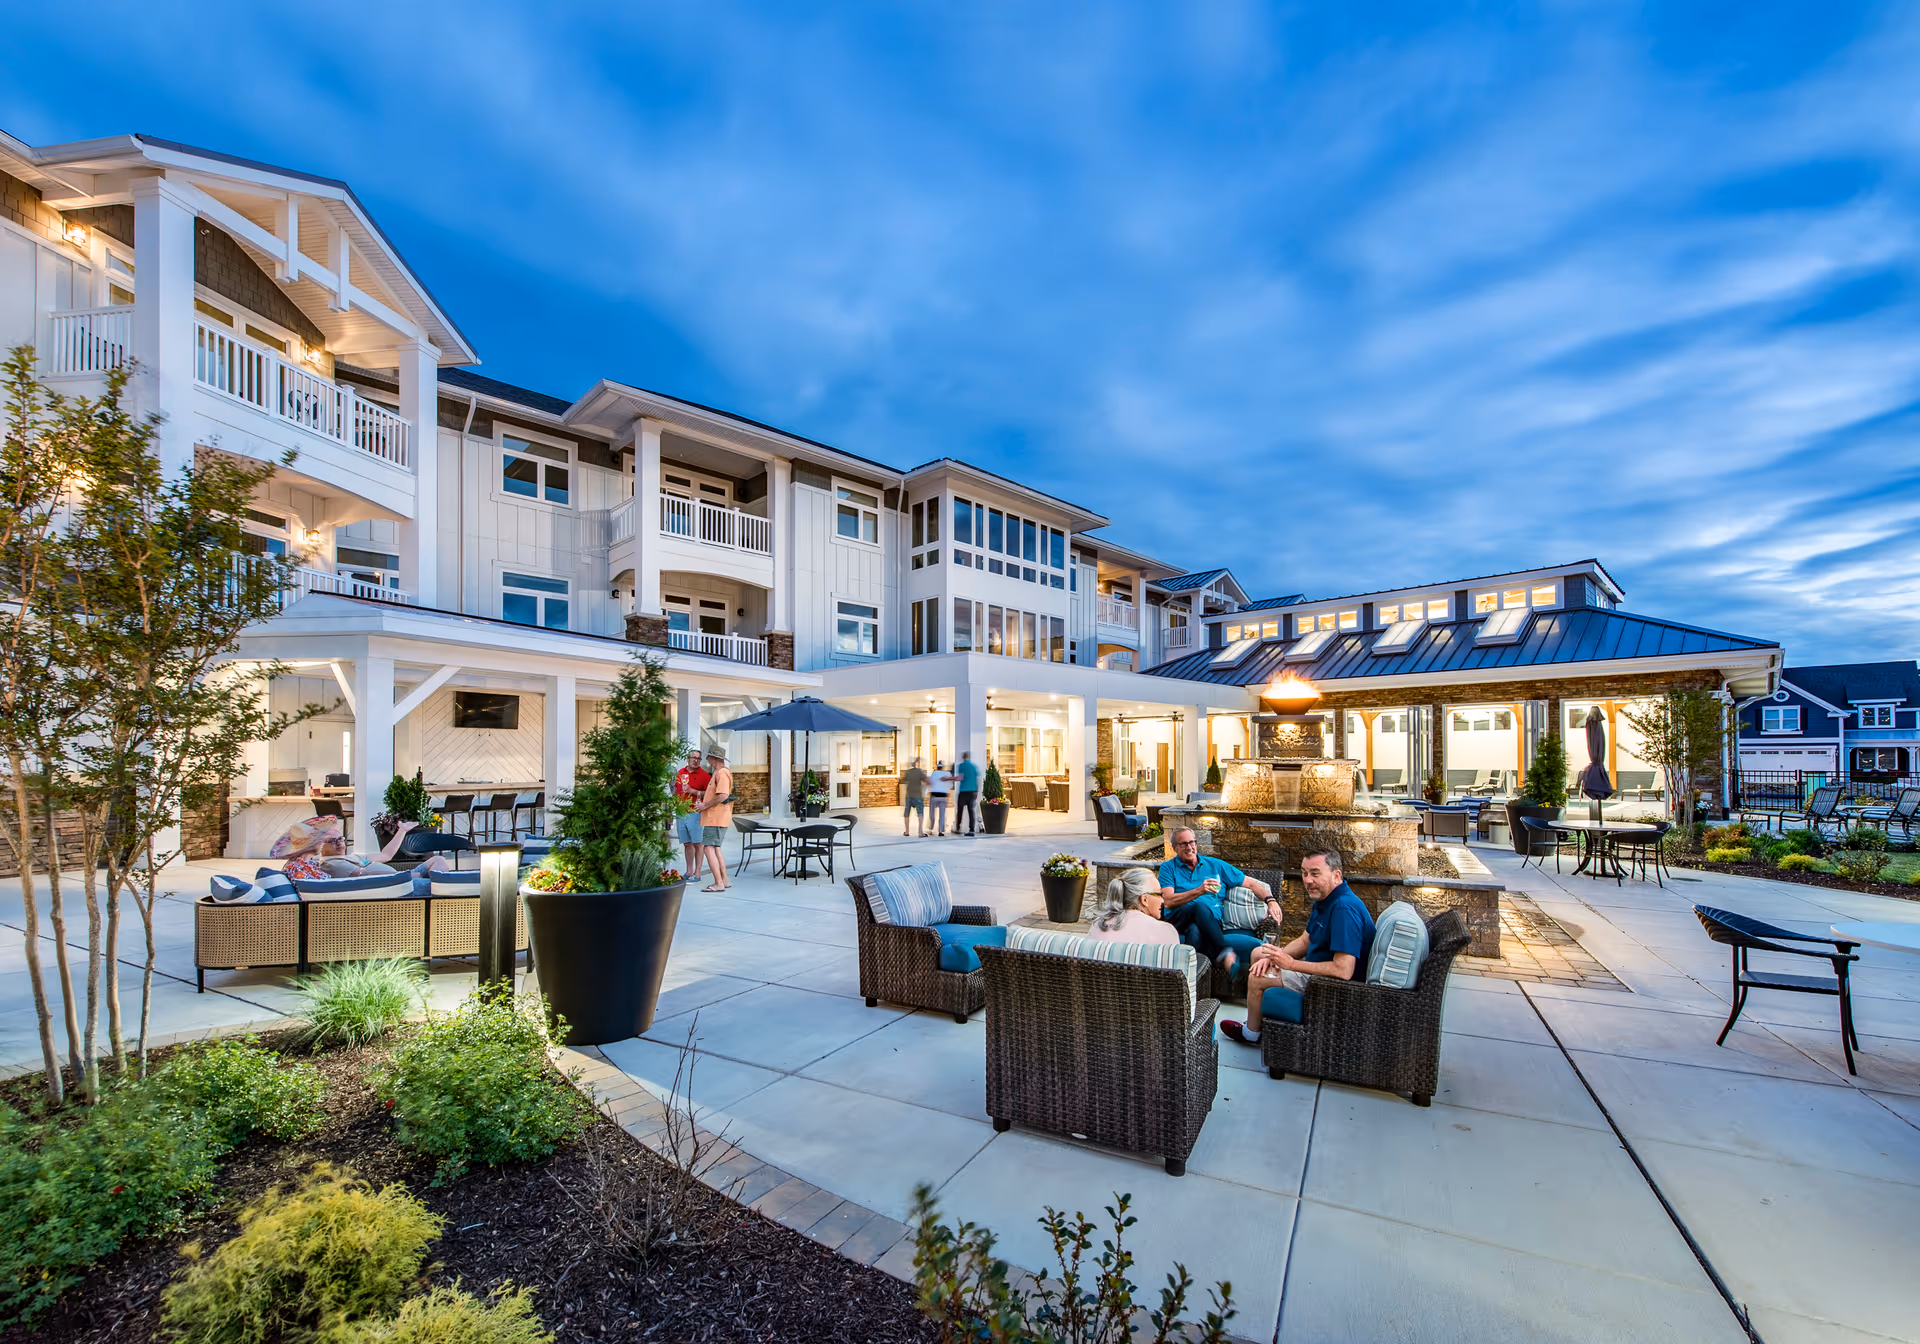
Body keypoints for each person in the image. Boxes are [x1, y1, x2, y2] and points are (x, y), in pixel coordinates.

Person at [1221, 847, 1375, 1045]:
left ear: (1336, 875)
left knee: (1258, 977)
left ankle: (1251, 1034)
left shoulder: (1343, 909)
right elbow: (1305, 941)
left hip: (1333, 985)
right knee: (1260, 953)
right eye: (1304, 873)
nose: (1307, 880)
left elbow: (1343, 970)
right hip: (1318, 967)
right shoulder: (1325, 898)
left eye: (1315, 873)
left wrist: (1290, 964)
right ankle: (1258, 1022)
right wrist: (1273, 956)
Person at [1148, 827, 1278, 980]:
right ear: (1174, 847)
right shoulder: (1168, 868)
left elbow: (1252, 885)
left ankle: (1190, 984)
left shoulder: (1216, 865)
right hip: (1177, 920)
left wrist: (1271, 901)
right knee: (1197, 906)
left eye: (1191, 842)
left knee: (1195, 931)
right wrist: (1199, 891)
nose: (1189, 847)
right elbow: (1169, 902)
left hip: (1211, 923)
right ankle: (1225, 951)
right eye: (1183, 844)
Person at [1085, 867, 1178, 944]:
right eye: (1159, 894)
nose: (1162, 900)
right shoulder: (1163, 931)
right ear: (1144, 899)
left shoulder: (1098, 926)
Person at [696, 747, 734, 892]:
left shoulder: (722, 773)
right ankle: (724, 880)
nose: (707, 760)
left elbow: (723, 795)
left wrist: (705, 804)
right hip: (716, 818)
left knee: (708, 848)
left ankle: (718, 883)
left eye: (709, 757)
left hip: (716, 818)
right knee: (716, 848)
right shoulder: (718, 773)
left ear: (716, 758)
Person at [672, 748, 711, 884]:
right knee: (687, 844)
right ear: (687, 759)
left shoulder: (704, 775)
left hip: (695, 812)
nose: (695, 760)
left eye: (698, 758)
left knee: (697, 843)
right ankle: (689, 871)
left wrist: (693, 791)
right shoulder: (680, 773)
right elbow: (676, 791)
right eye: (693, 757)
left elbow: (710, 793)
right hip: (681, 812)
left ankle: (697, 872)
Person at [900, 756, 930, 837]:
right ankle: (920, 832)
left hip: (909, 795)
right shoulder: (920, 771)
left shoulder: (907, 772)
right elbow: (927, 780)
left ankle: (907, 831)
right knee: (920, 813)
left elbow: (902, 780)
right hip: (918, 795)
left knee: (907, 813)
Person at [954, 751, 981, 836]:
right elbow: (977, 780)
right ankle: (971, 829)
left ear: (963, 757)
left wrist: (950, 779)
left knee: (960, 810)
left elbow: (960, 777)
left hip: (963, 791)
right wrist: (976, 791)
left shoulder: (961, 766)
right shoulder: (974, 767)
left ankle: (958, 828)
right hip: (972, 791)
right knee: (971, 810)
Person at [928, 760, 954, 836]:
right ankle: (941, 831)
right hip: (943, 796)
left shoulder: (934, 773)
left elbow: (930, 783)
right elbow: (951, 786)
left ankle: (931, 828)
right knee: (942, 814)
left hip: (934, 796)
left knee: (932, 813)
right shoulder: (947, 774)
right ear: (943, 767)